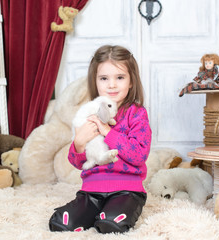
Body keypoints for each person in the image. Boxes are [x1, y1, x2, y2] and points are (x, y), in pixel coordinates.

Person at [49, 45, 152, 234]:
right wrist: (79, 144)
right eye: (104, 78)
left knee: (112, 223)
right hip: (92, 190)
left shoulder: (137, 114)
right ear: (95, 82)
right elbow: (79, 162)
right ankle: (92, 211)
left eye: (119, 78)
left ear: (131, 81)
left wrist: (107, 131)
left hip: (127, 190)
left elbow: (138, 155)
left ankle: (109, 215)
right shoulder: (90, 113)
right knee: (62, 224)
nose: (111, 85)